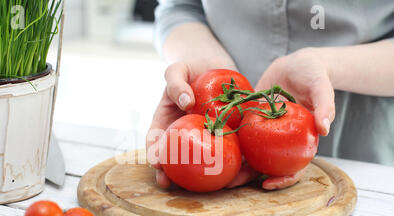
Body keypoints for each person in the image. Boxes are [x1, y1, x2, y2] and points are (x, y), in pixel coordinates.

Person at [146, 0, 394, 190]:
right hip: (217, 103)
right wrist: (201, 62)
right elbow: (179, 7)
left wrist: (328, 65)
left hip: (365, 160)